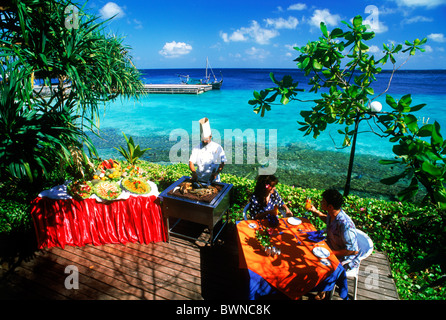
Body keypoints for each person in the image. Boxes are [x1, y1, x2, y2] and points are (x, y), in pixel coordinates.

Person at [307, 188, 359, 300]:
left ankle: (321, 290)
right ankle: (319, 288)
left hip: (345, 258)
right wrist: (316, 212)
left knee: (315, 263)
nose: (321, 202)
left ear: (330, 206)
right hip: (330, 248)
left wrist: (331, 253)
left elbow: (354, 250)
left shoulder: (345, 225)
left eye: (323, 201)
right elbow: (327, 220)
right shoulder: (332, 214)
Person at [189, 117, 226, 185]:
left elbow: (222, 162)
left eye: (206, 139)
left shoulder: (218, 147)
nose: (204, 141)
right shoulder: (196, 148)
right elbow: (191, 161)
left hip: (214, 181)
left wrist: (216, 173)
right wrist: (194, 173)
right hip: (199, 180)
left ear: (210, 137)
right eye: (203, 139)